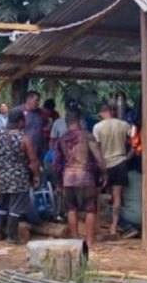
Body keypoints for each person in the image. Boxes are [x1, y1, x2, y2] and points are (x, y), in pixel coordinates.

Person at [54, 110, 106, 247]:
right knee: (90, 209)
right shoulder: (87, 136)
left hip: (68, 178)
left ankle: (75, 241)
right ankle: (89, 241)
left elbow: (56, 163)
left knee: (71, 209)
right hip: (86, 177)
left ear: (66, 123)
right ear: (79, 121)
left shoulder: (62, 140)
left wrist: (59, 181)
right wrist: (103, 174)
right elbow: (99, 158)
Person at [0, 109, 41, 244]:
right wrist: (36, 176)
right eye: (23, 120)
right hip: (20, 177)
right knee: (15, 207)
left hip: (3, 176)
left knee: (2, 203)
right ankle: (12, 236)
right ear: (20, 122)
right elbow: (33, 160)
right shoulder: (24, 139)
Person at [92, 104, 132, 235]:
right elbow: (135, 139)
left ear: (103, 112)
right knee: (117, 196)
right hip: (120, 162)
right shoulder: (124, 124)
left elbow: (96, 149)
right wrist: (129, 155)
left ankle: (96, 225)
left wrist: (99, 165)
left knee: (97, 196)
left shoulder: (97, 127)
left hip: (104, 164)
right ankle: (114, 226)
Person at [13, 91, 44, 161]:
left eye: (39, 101)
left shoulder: (39, 112)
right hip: (23, 149)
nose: (38, 103)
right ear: (28, 99)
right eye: (36, 100)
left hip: (38, 149)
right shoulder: (17, 111)